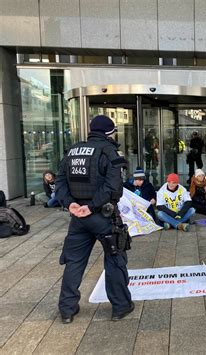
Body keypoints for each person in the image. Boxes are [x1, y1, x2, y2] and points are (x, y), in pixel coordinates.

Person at [55, 115, 134, 324]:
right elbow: (113, 188)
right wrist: (91, 207)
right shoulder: (109, 152)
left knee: (74, 262)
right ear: (109, 133)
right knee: (115, 259)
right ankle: (120, 306)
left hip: (77, 218)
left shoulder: (72, 151)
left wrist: (69, 203)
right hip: (102, 216)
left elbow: (59, 182)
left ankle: (67, 309)